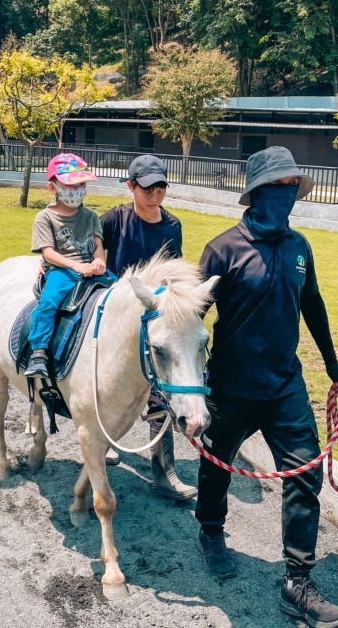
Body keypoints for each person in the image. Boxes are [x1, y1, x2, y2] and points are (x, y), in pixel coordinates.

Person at [195, 146, 338, 628]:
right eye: (279, 187)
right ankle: (210, 532)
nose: (287, 195)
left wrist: (331, 361)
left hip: (285, 387)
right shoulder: (223, 249)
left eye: (292, 188)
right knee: (217, 466)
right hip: (231, 386)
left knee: (305, 476)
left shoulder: (300, 247)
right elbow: (190, 317)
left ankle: (297, 581)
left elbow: (313, 303)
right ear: (257, 193)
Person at [99, 155, 194, 499]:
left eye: (160, 187)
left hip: (154, 319)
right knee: (112, 386)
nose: (154, 194)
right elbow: (90, 250)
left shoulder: (172, 226)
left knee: (159, 391)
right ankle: (107, 441)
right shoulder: (113, 220)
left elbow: (175, 273)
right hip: (119, 318)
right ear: (130, 186)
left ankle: (164, 471)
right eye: (147, 188)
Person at [25, 153, 107, 381]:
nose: (77, 189)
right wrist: (76, 266)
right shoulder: (45, 217)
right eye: (70, 184)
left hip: (91, 268)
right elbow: (48, 252)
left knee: (119, 293)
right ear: (53, 188)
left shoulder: (91, 215)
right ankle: (39, 352)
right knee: (49, 302)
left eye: (81, 184)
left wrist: (100, 260)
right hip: (62, 270)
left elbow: (98, 246)